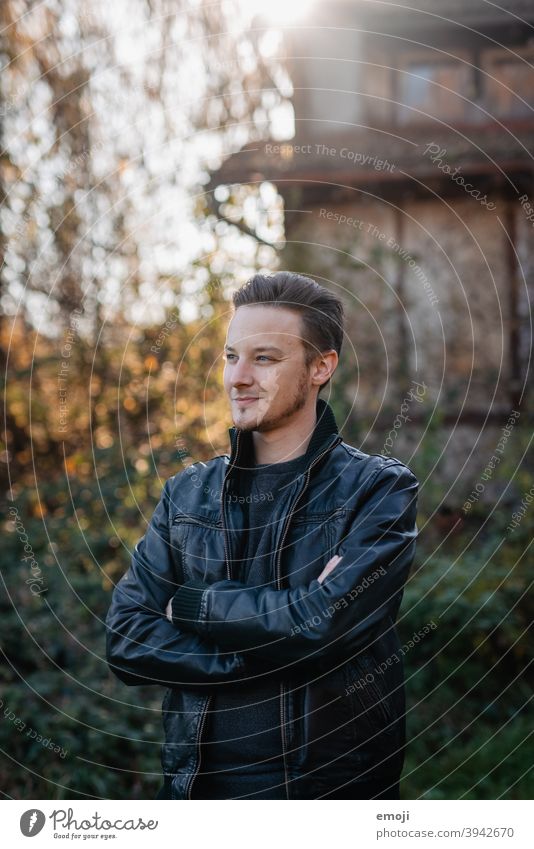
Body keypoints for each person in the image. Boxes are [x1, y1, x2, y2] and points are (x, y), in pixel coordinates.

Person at [105, 271, 419, 800]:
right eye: (231, 357)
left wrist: (191, 608)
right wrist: (277, 636)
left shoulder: (378, 490)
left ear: (321, 367)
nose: (238, 378)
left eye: (265, 359)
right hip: (196, 795)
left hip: (326, 800)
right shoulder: (186, 494)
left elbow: (325, 627)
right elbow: (128, 639)